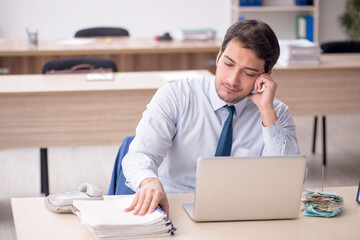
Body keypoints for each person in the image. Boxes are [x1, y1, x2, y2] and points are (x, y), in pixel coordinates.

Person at [122, 19, 299, 216]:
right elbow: (140, 154)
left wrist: (267, 112)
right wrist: (149, 181)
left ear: (266, 76)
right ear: (218, 57)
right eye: (228, 64)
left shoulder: (276, 113)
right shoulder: (176, 95)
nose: (232, 80)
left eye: (248, 73)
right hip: (175, 208)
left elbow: (286, 181)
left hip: (242, 213)